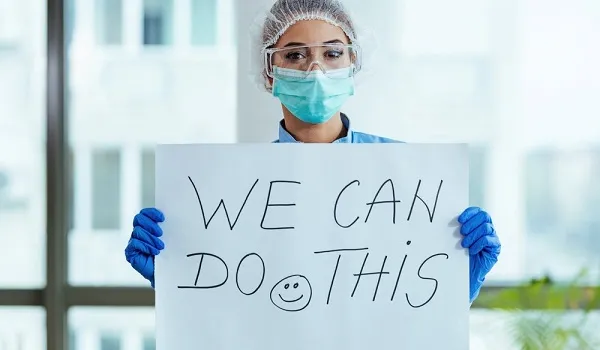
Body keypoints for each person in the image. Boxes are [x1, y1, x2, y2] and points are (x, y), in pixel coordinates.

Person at [125, 0, 501, 304]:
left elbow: (415, 312)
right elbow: (234, 313)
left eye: (333, 53)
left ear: (354, 63)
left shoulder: (410, 177)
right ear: (269, 71)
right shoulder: (233, 192)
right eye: (295, 56)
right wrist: (177, 277)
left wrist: (458, 283)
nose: (316, 69)